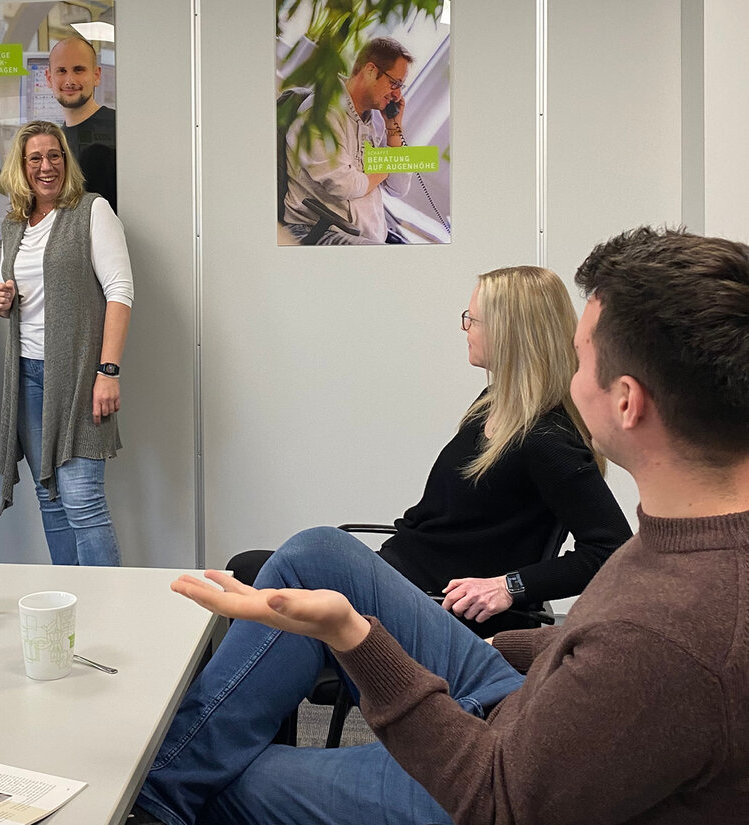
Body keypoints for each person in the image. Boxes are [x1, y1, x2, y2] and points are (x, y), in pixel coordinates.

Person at [137, 226, 749, 825]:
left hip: (499, 765)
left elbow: (501, 798)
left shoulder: (668, 630)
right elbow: (601, 651)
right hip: (524, 692)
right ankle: (170, 780)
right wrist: (512, 646)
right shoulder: (677, 543)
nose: (570, 371)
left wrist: (356, 637)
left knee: (233, 780)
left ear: (626, 401)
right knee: (317, 551)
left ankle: (156, 794)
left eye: (584, 358)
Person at [232, 266, 631, 638]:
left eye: (473, 320)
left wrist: (510, 587)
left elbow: (610, 548)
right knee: (252, 569)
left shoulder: (545, 437)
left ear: (510, 333)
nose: (465, 328)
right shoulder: (493, 404)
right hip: (402, 575)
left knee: (283, 563)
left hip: (428, 602)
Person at [0, 120, 133, 566]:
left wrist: (108, 372)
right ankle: (71, 613)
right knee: (49, 495)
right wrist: (1, 300)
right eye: (35, 158)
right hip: (28, 376)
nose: (46, 166)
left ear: (66, 162)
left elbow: (120, 291)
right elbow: (8, 293)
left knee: (83, 500)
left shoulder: (92, 211)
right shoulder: (14, 224)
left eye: (55, 156)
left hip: (79, 377)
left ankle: (108, 613)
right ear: (22, 166)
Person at [283, 37, 413, 245]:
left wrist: (393, 131)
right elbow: (345, 185)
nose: (397, 95)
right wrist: (386, 167)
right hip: (318, 229)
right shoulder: (323, 113)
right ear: (370, 70)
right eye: (394, 83)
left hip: (368, 235)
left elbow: (398, 188)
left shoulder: (377, 120)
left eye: (401, 86)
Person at [47, 36, 117, 212]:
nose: (70, 80)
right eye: (61, 71)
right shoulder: (56, 141)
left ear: (96, 75)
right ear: (49, 78)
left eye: (79, 70)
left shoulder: (120, 128)